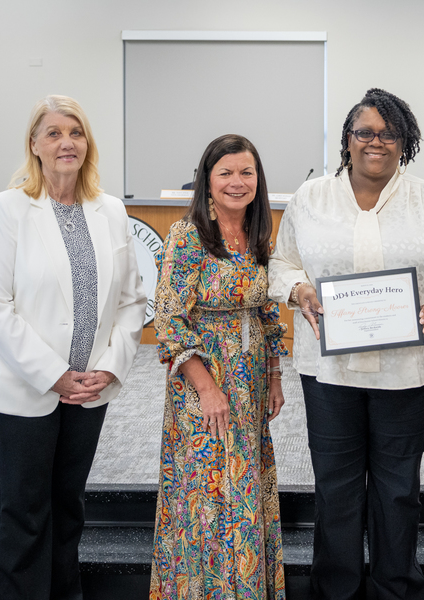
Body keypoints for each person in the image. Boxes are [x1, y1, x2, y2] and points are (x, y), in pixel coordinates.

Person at [268, 88, 424, 599]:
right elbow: (281, 262)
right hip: (329, 372)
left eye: (389, 133)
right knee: (335, 487)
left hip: (407, 370)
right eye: (365, 132)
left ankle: (394, 586)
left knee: (397, 488)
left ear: (405, 142)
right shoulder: (311, 198)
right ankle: (336, 588)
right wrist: (298, 288)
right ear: (348, 139)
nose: (376, 142)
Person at [0, 94, 146, 599]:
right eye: (53, 133)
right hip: (22, 388)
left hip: (89, 388)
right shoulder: (9, 208)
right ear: (35, 145)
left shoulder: (110, 210)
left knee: (68, 506)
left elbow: (133, 301)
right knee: (25, 511)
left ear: (87, 143)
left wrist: (110, 368)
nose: (66, 142)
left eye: (76, 132)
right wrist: (52, 373)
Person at [150, 134, 288, 600]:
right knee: (206, 494)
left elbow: (268, 311)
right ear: (207, 180)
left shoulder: (258, 233)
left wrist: (273, 376)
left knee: (243, 487)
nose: (237, 182)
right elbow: (169, 318)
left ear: (258, 180)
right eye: (225, 172)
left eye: (246, 172)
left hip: (249, 381)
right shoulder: (188, 235)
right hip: (202, 381)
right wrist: (208, 389)